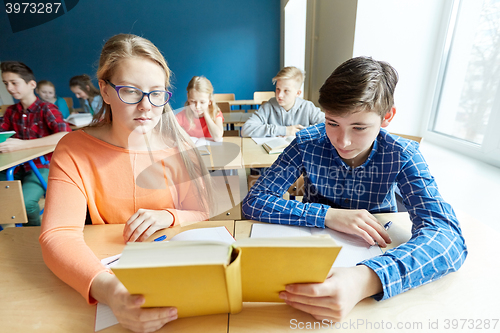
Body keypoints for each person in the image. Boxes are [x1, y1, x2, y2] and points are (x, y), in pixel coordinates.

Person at [242, 56, 467, 322]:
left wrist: (367, 278)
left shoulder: (403, 154)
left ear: (387, 117)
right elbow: (254, 201)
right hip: (310, 260)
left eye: (359, 127)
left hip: (375, 268)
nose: (343, 141)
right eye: (332, 123)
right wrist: (328, 215)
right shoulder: (307, 142)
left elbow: (448, 237)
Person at [39, 34, 214, 333]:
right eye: (131, 92)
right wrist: (110, 290)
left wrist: (169, 215)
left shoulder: (180, 147)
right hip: (106, 272)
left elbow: (203, 212)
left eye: (156, 93)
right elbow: (58, 234)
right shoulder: (74, 149)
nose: (147, 106)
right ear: (105, 91)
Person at [0, 61, 71, 226]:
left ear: (32, 84)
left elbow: (65, 135)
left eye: (14, 83)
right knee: (7, 202)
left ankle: (32, 236)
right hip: (15, 166)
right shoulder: (11, 111)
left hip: (42, 166)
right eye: (5, 83)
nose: (9, 88)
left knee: (26, 205)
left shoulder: (47, 108)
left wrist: (22, 145)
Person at [241, 66, 325, 137]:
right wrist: (285, 130)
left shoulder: (308, 107)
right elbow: (245, 129)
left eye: (286, 91)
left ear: (298, 93)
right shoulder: (268, 107)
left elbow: (327, 125)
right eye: (278, 89)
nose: (279, 95)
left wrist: (301, 132)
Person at [175, 76, 224, 141]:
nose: (197, 106)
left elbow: (217, 137)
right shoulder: (183, 115)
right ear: (188, 98)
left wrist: (206, 114)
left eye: (202, 102)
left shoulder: (215, 113)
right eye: (193, 101)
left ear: (210, 101)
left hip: (211, 150)